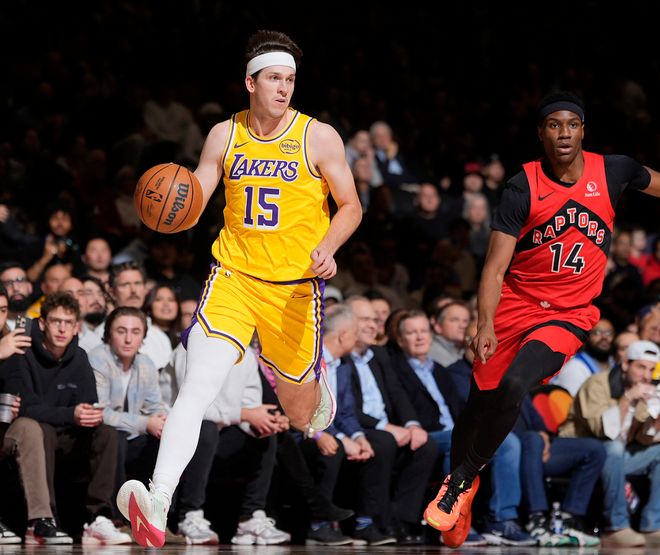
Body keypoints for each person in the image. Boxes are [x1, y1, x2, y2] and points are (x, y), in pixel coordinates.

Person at [117, 29, 361, 548]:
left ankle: (315, 384)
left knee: (301, 416)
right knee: (197, 385)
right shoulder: (223, 135)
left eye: (290, 79)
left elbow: (351, 206)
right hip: (233, 278)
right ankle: (157, 501)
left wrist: (328, 246)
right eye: (274, 78)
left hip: (294, 288)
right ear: (250, 82)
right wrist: (170, 209)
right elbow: (195, 200)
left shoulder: (318, 137)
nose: (284, 88)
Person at [423, 90, 660, 549]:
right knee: (477, 408)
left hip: (569, 313)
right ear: (541, 133)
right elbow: (494, 268)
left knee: (516, 384)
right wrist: (485, 323)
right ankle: (463, 492)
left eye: (572, 124)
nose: (564, 133)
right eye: (554, 125)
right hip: (516, 304)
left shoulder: (614, 170)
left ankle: (458, 483)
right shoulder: (522, 186)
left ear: (583, 130)